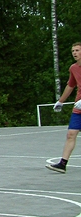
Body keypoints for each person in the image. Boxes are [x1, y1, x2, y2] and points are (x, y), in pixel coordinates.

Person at [46, 42, 81, 173]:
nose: (75, 53)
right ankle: (63, 164)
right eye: (73, 51)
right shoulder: (73, 68)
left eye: (77, 50)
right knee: (71, 134)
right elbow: (71, 85)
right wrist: (60, 101)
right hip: (78, 107)